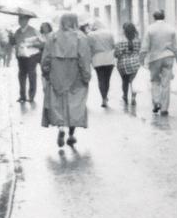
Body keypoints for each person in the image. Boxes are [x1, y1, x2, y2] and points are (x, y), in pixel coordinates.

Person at [41, 12, 92, 147]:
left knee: (58, 104)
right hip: (76, 77)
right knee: (74, 105)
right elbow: (84, 58)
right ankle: (71, 134)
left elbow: (45, 58)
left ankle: (61, 128)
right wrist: (86, 75)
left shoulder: (52, 37)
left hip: (56, 76)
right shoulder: (81, 37)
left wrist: (46, 72)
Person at [140, 9, 177, 116]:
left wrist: (141, 60)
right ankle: (164, 108)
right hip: (168, 57)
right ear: (164, 17)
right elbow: (175, 47)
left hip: (154, 58)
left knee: (155, 81)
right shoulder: (171, 29)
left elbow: (144, 47)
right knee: (166, 83)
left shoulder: (150, 29)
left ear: (154, 17)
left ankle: (156, 102)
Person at [12, 15, 43, 103]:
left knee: (31, 75)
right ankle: (22, 96)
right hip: (21, 56)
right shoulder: (17, 32)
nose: (20, 21)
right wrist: (11, 38)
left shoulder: (34, 30)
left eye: (22, 19)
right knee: (21, 76)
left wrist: (31, 44)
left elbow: (42, 43)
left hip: (31, 57)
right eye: (19, 19)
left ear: (27, 20)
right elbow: (13, 43)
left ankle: (31, 96)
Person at [87, 20, 116, 107]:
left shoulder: (90, 35)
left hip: (97, 59)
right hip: (109, 58)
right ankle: (105, 96)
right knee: (107, 79)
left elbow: (89, 47)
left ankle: (103, 98)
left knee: (101, 79)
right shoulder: (109, 33)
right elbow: (113, 45)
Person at [114, 21, 142, 106]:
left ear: (124, 31)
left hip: (123, 64)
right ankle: (133, 97)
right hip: (135, 63)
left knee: (125, 81)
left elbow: (116, 54)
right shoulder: (138, 40)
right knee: (134, 81)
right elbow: (141, 51)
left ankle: (125, 96)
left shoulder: (119, 41)